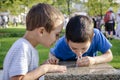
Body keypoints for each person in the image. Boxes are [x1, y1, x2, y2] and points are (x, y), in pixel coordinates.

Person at [3, 3, 67, 80]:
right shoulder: (22, 47)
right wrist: (44, 68)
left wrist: (42, 66)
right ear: (41, 31)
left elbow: (29, 76)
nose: (58, 39)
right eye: (57, 34)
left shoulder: (30, 48)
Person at [47, 15, 113, 67]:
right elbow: (52, 53)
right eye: (74, 48)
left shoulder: (97, 35)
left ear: (92, 38)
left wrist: (94, 60)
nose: (79, 53)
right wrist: (52, 58)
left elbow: (109, 55)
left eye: (84, 48)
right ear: (67, 41)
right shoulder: (62, 44)